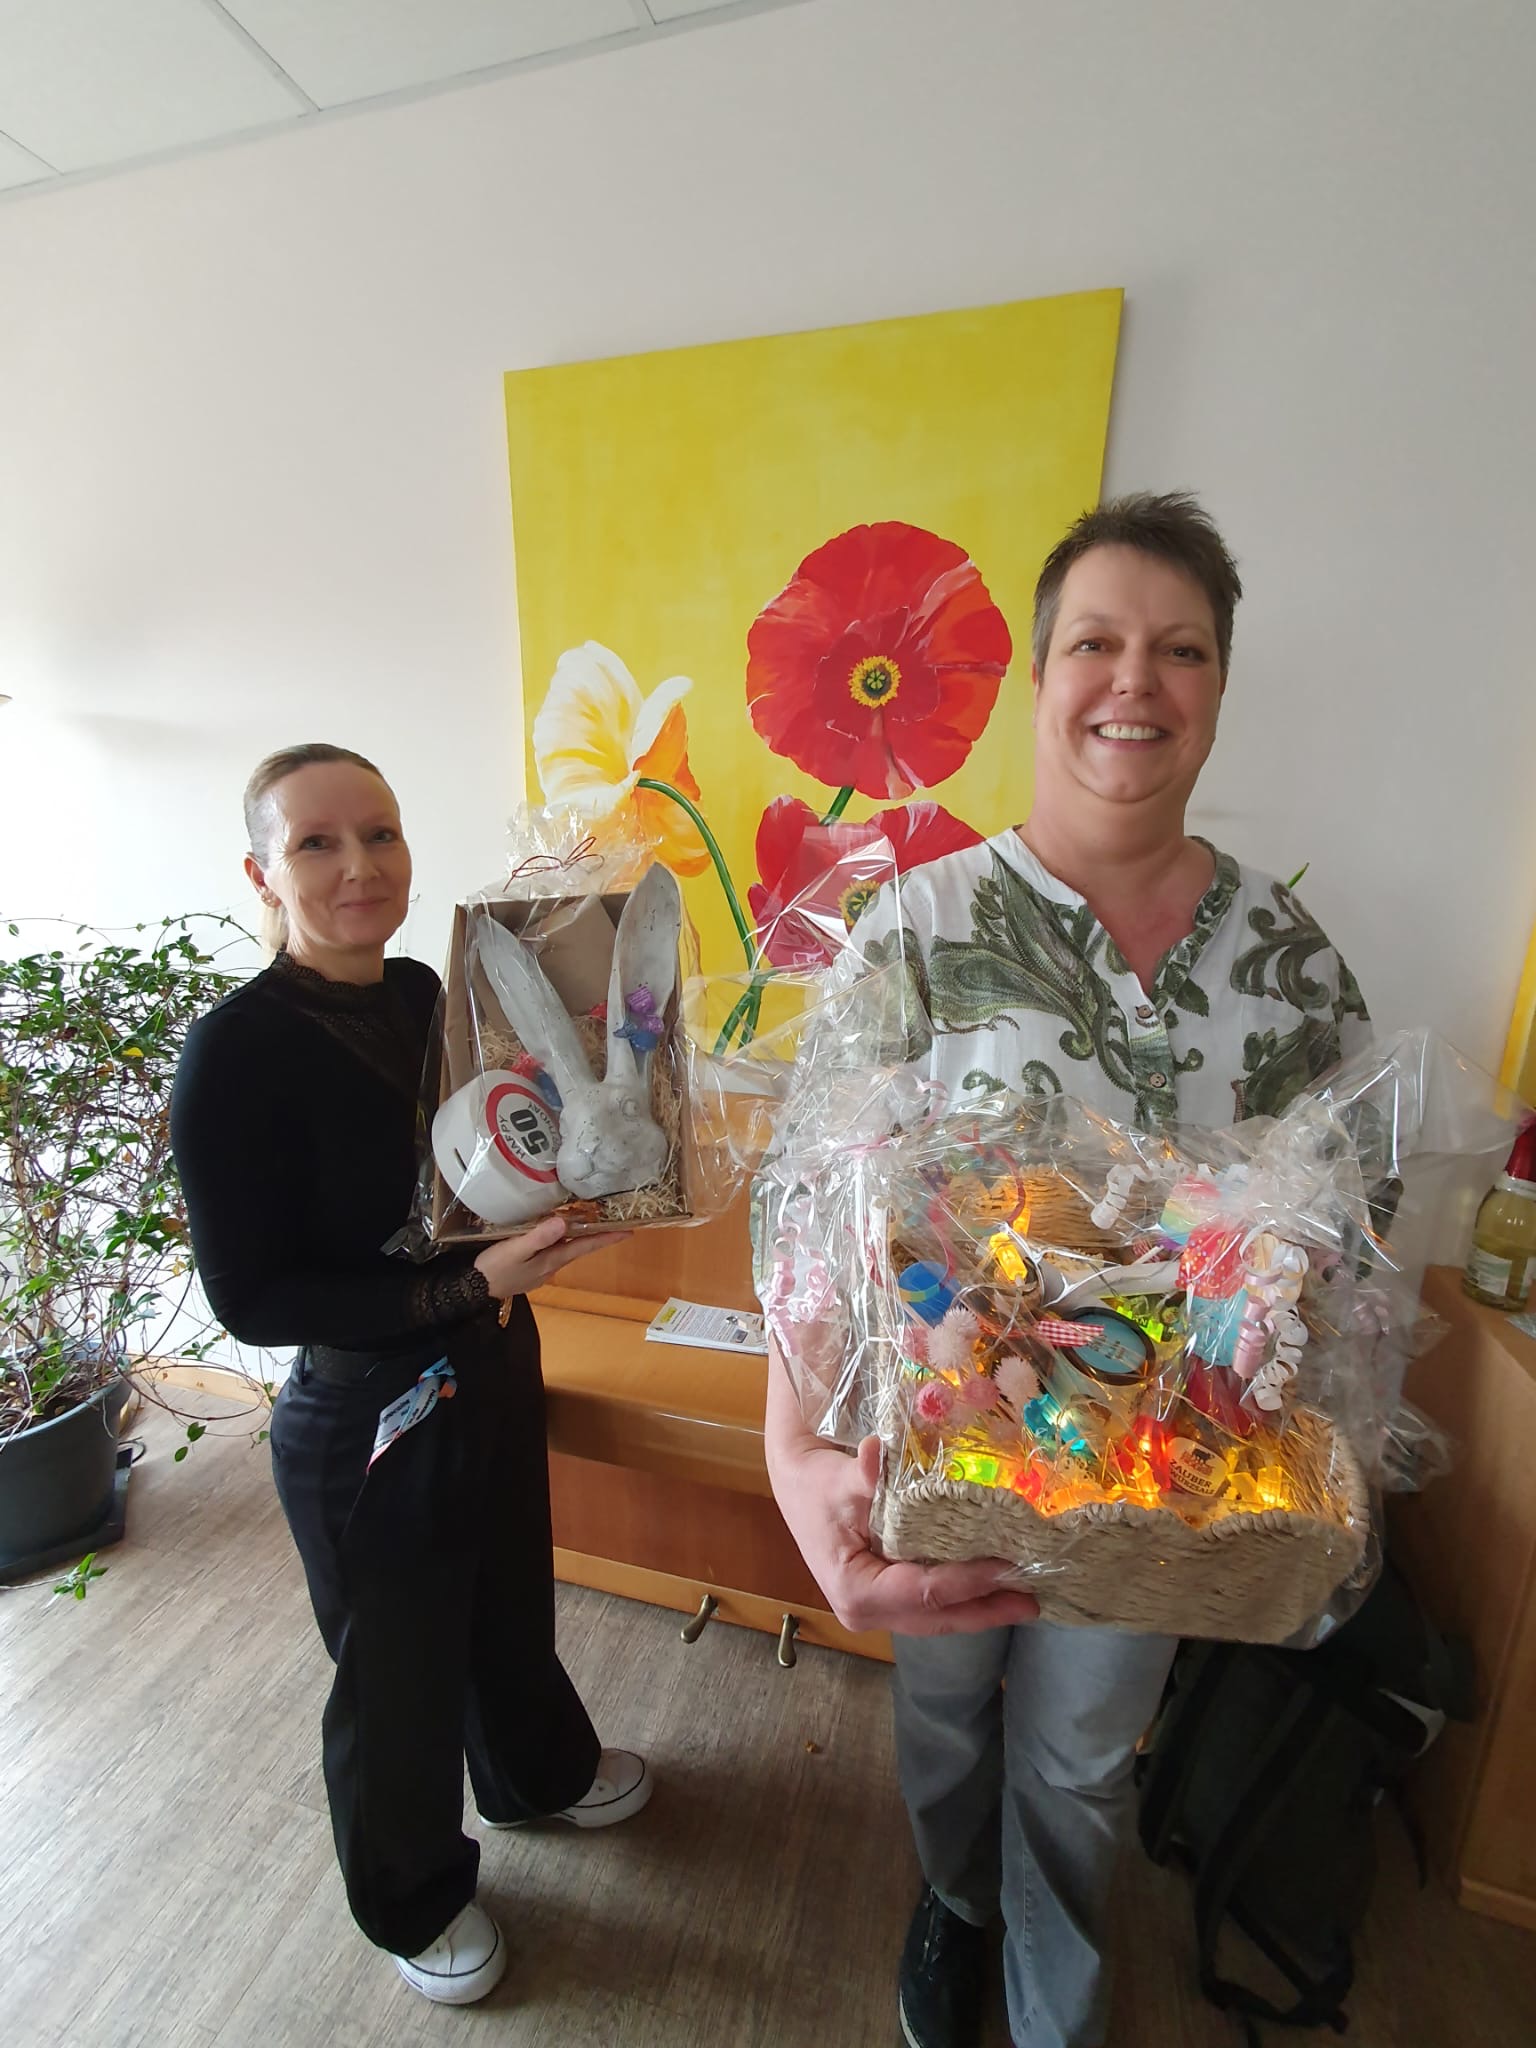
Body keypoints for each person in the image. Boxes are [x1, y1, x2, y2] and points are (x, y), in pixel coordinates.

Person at [762, 495, 1372, 2048]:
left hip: (1172, 1476)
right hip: (949, 1434)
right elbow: (820, 1217)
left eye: (1182, 650)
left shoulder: (1290, 968)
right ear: (1042, 683)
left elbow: (1340, 1243)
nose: (1136, 683)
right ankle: (956, 1900)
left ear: (1221, 687)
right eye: (1096, 643)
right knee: (949, 1714)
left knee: (1091, 1752)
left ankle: (1056, 1995)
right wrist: (793, 1436)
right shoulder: (917, 930)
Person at [171, 743, 651, 2008]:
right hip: (363, 1411)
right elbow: (254, 1299)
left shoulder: (427, 987)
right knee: (396, 1668)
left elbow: (462, 1177)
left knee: (506, 1592)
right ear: (261, 872)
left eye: (377, 833)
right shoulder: (231, 1055)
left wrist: (563, 1207)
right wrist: (471, 1286)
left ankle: (539, 1770)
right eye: (317, 842)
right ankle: (413, 1893)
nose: (358, 865)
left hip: (488, 1353)